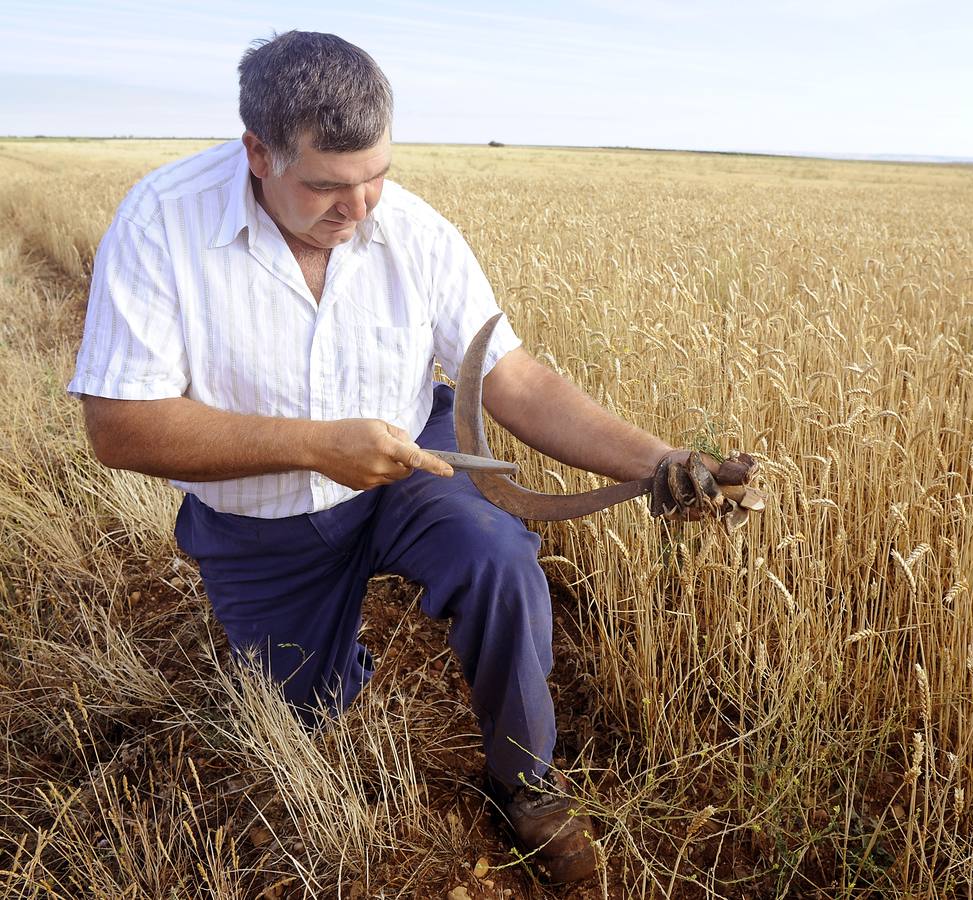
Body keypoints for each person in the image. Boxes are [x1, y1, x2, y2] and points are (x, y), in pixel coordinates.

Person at [67, 30, 721, 884]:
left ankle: (526, 786)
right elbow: (119, 426)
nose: (360, 207)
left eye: (376, 174)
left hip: (416, 464)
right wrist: (314, 446)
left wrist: (659, 458)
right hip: (263, 520)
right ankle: (335, 661)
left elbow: (511, 378)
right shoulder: (161, 222)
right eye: (327, 186)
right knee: (301, 714)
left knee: (498, 558)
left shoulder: (411, 227)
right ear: (257, 152)